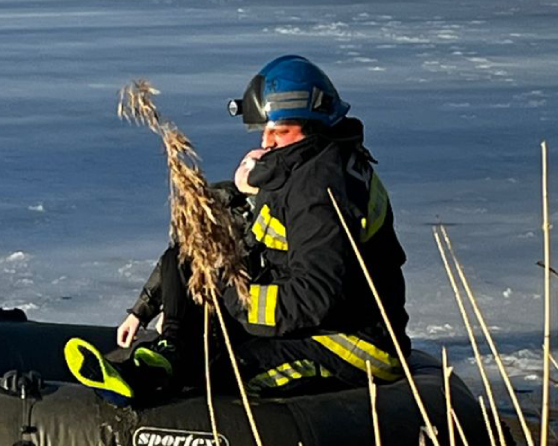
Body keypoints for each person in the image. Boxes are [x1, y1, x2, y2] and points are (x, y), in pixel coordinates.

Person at [66, 55, 410, 402]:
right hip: (310, 323)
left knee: (220, 375)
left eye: (279, 131)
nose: (266, 143)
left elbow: (314, 297)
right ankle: (164, 357)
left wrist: (236, 300)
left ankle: (170, 380)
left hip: (350, 345)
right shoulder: (302, 168)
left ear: (313, 125)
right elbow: (237, 242)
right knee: (188, 259)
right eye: (265, 130)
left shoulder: (319, 192)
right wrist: (153, 304)